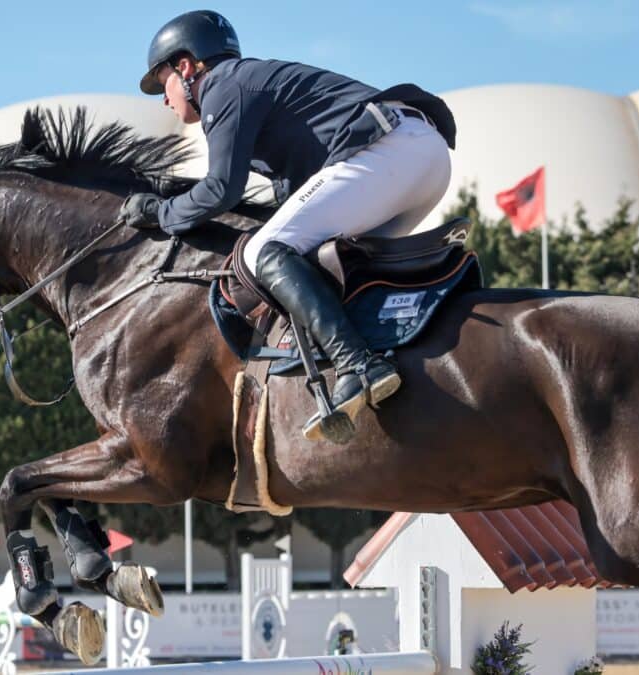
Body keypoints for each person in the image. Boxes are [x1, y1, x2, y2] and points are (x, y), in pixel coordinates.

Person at [120, 10, 457, 443]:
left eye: (161, 81)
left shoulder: (222, 85)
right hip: (423, 160)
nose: (163, 100)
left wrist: (160, 212)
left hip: (391, 151)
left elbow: (221, 189)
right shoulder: (247, 84)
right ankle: (387, 357)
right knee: (327, 265)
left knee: (264, 251)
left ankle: (358, 366)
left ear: (185, 67)